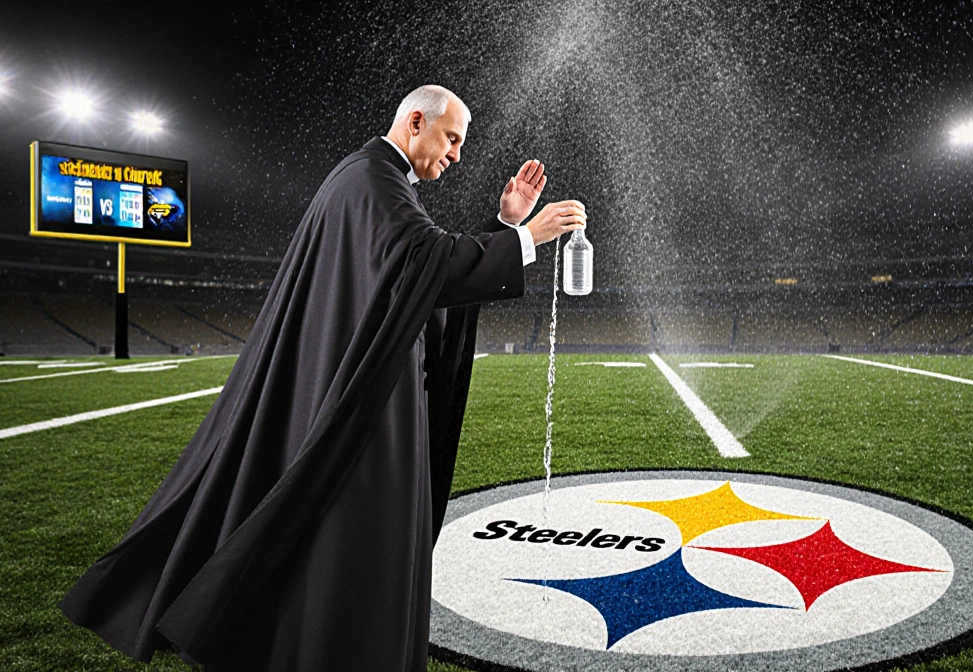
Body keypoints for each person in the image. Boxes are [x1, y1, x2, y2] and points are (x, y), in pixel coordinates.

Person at [59, 84, 586, 671]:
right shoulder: (370, 180)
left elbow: (420, 275)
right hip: (365, 419)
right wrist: (524, 238)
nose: (457, 155)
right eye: (452, 139)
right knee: (354, 558)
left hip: (363, 400)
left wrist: (501, 224)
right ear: (416, 122)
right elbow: (420, 263)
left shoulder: (372, 182)